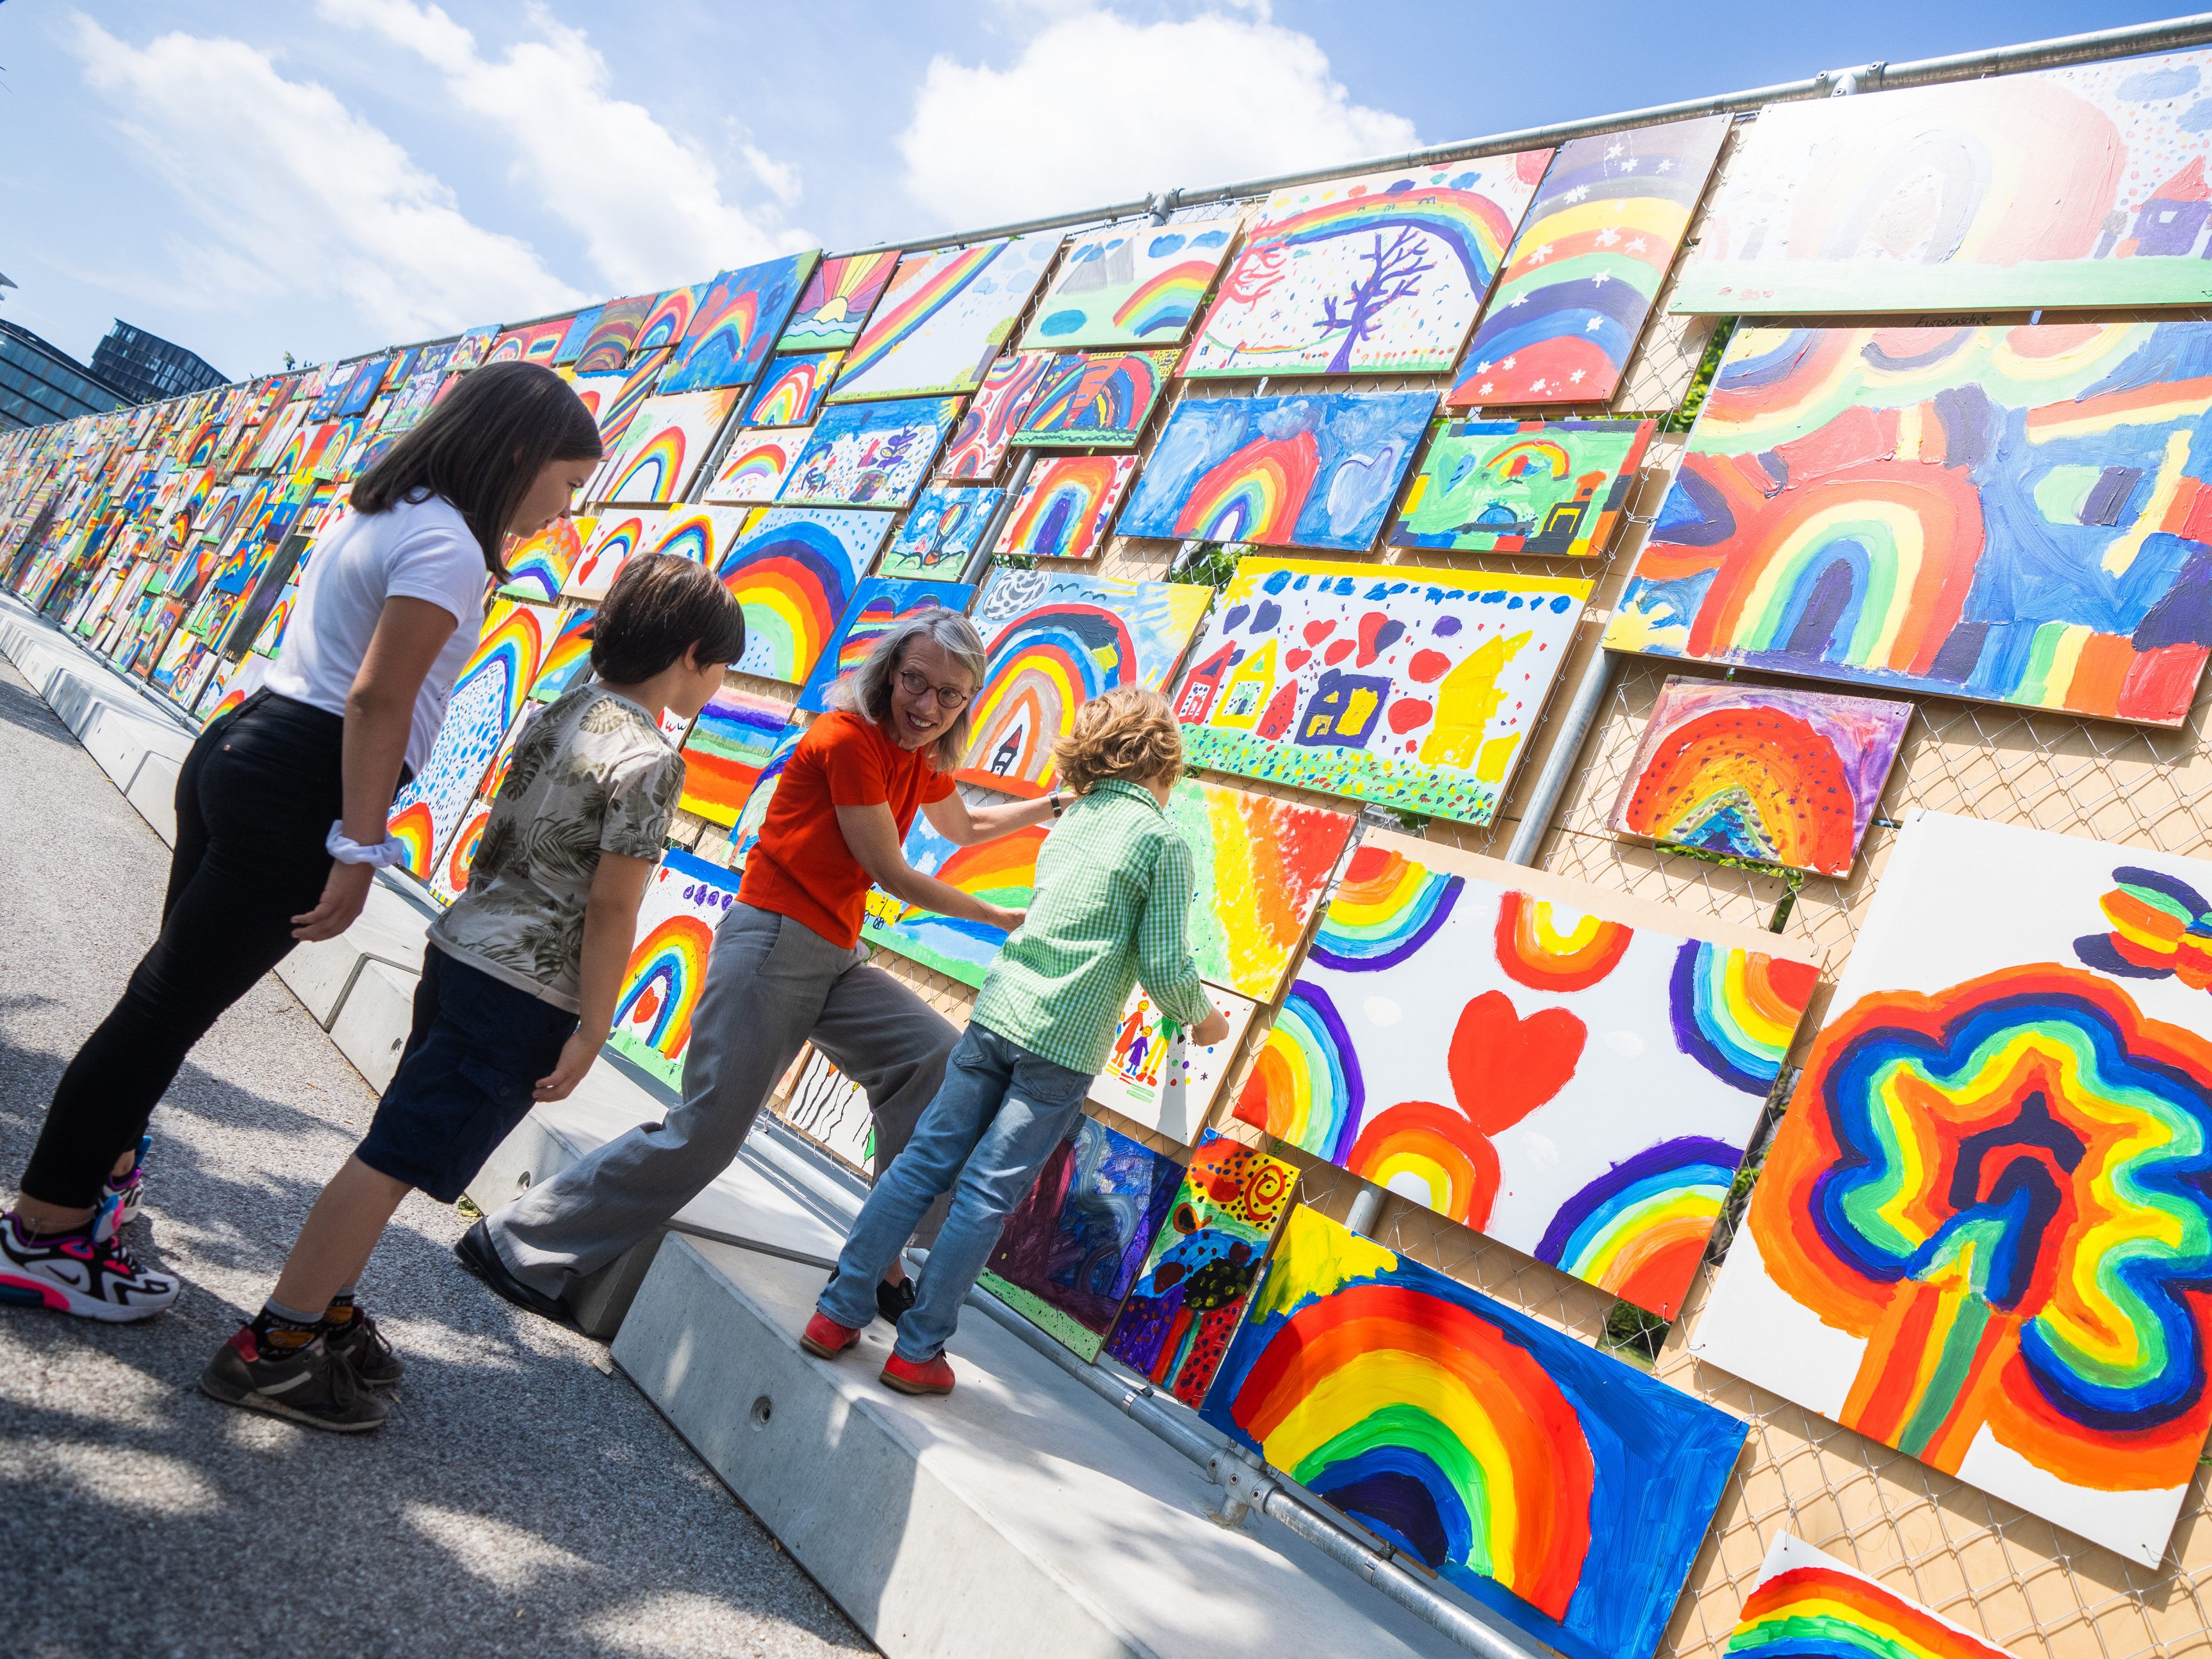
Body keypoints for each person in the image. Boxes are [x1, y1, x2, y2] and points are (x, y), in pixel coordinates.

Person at [0, 361, 602, 1323]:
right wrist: (361, 851)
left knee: (161, 1000)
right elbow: (378, 696)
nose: (566, 509)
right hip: (303, 777)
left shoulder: (383, 508)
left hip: (253, 740)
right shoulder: (448, 542)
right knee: (161, 1013)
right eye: (569, 483)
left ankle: (84, 1205)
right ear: (521, 452)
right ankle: (43, 1234)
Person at [200, 554, 739, 1431]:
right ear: (689, 654)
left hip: (462, 948)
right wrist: (596, 1023)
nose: (720, 684)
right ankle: (277, 1345)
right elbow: (612, 904)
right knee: (389, 1160)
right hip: (525, 987)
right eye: (721, 667)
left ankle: (329, 1312)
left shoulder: (562, 705)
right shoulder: (649, 760)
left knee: (398, 1143)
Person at [457, 609, 1057, 1326]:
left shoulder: (917, 757)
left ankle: (880, 1255)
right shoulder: (848, 739)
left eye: (949, 695)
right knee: (706, 1131)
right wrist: (1001, 920)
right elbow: (887, 870)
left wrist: (1056, 802)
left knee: (933, 1057)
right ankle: (515, 1243)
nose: (927, 706)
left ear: (967, 702)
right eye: (915, 682)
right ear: (890, 672)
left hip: (834, 955)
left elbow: (967, 827)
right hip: (775, 940)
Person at [803, 688, 1229, 1396]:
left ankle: (835, 1312)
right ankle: (917, 1351)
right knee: (982, 1197)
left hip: (999, 1014)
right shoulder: (1162, 840)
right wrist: (1203, 1019)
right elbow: (1163, 964)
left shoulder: (1074, 821)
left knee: (919, 1164)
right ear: (1166, 761)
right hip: (1061, 1044)